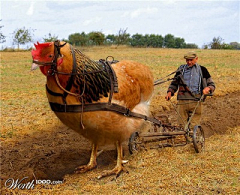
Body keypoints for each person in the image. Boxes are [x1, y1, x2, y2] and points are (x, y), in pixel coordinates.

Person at [165, 51, 215, 129]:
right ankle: (183, 139)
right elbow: (174, 83)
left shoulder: (202, 70)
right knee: (181, 125)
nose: (189, 62)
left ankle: (192, 139)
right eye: (187, 60)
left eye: (191, 60)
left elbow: (211, 84)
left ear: (196, 59)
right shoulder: (181, 69)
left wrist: (207, 88)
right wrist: (169, 92)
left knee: (194, 125)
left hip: (196, 101)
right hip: (182, 101)